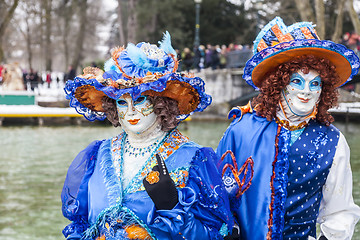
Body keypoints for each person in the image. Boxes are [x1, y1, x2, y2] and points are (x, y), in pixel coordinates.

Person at [61, 32, 234, 240]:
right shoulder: (96, 156)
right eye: (122, 102)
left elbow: (218, 235)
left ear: (161, 102)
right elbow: (81, 227)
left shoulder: (195, 160)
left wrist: (173, 206)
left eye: (140, 99)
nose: (131, 111)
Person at [217, 17, 360, 239]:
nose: (307, 91)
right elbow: (219, 195)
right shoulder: (240, 130)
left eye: (315, 84)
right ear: (278, 82)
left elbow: (340, 211)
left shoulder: (333, 141)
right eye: (296, 81)